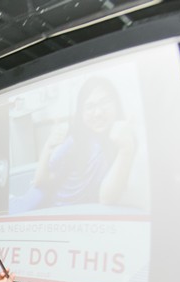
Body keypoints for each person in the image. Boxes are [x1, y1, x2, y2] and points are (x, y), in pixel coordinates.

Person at [10, 76, 137, 213]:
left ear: (116, 103)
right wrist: (48, 146)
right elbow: (40, 182)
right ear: (81, 112)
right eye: (89, 107)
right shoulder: (75, 140)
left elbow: (107, 198)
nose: (98, 113)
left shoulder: (124, 139)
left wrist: (125, 149)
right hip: (43, 208)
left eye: (104, 102)